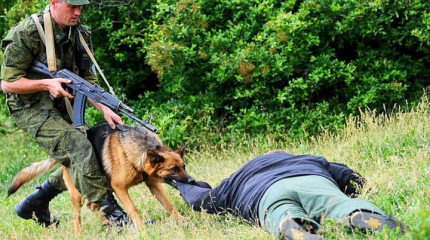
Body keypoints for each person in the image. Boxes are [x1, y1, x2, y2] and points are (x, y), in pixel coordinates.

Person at [1, 0, 130, 228]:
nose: (78, 12)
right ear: (54, 3)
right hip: (29, 106)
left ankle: (35, 201)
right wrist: (45, 85)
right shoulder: (27, 32)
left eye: (81, 7)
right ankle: (115, 219)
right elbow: (8, 84)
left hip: (64, 100)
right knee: (78, 148)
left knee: (88, 150)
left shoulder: (80, 33)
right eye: (72, 6)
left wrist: (104, 107)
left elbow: (86, 78)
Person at [167, 150, 407, 240]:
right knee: (337, 203)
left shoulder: (235, 180)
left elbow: (201, 201)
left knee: (282, 213)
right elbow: (344, 173)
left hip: (263, 193)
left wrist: (181, 184)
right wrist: (361, 186)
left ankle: (299, 229)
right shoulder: (303, 158)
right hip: (309, 177)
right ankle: (360, 213)